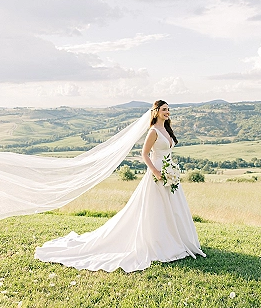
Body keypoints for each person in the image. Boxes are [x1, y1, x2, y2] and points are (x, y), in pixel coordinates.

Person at [34, 100, 205, 272]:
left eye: (168, 109)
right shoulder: (153, 131)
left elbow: (167, 152)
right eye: (164, 109)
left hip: (169, 174)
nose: (168, 112)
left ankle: (176, 240)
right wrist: (156, 172)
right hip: (157, 175)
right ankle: (158, 243)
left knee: (173, 208)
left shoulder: (167, 129)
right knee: (156, 209)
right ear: (156, 112)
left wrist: (171, 171)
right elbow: (144, 154)